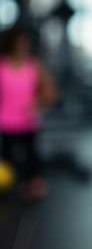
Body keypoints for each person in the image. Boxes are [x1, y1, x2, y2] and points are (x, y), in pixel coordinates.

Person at [0, 24, 58, 201]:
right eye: (20, 43)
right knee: (6, 161)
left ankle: (31, 185)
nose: (23, 46)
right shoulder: (2, 65)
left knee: (32, 160)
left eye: (25, 43)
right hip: (6, 123)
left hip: (28, 122)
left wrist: (38, 102)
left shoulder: (33, 66)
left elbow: (51, 93)